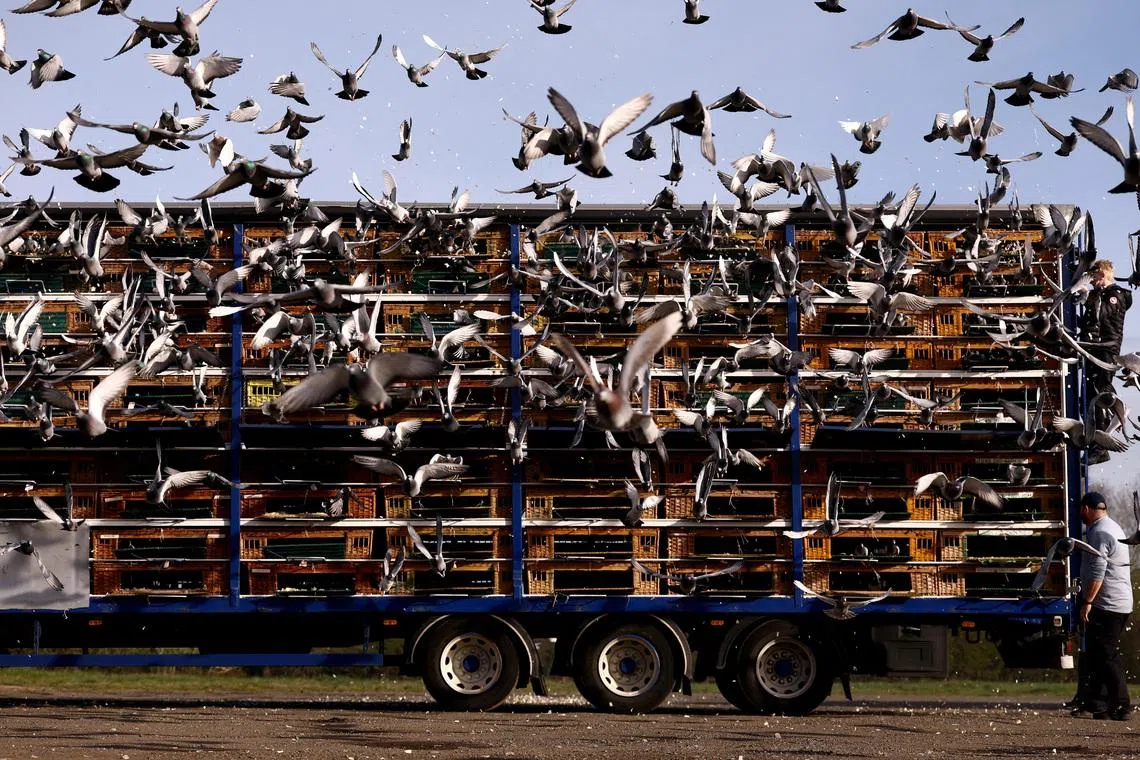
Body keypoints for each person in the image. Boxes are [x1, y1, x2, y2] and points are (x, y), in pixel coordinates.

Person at [1069, 491, 1133, 721]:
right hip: (1118, 602)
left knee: (1107, 655)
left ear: (1086, 509)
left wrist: (1087, 602)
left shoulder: (1101, 532)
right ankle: (1099, 705)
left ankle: (1123, 705)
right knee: (1098, 654)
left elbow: (1098, 572)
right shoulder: (1112, 527)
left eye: (1080, 511)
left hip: (1108, 604)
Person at [1079, 260, 1132, 465]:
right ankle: (1101, 438)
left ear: (1102, 274)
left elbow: (1105, 316)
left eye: (1094, 279)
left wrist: (1087, 299)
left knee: (1100, 392)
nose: (1093, 284)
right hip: (1097, 348)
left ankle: (1101, 444)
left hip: (1106, 349)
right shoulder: (1100, 295)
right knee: (1095, 392)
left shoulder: (1115, 295)